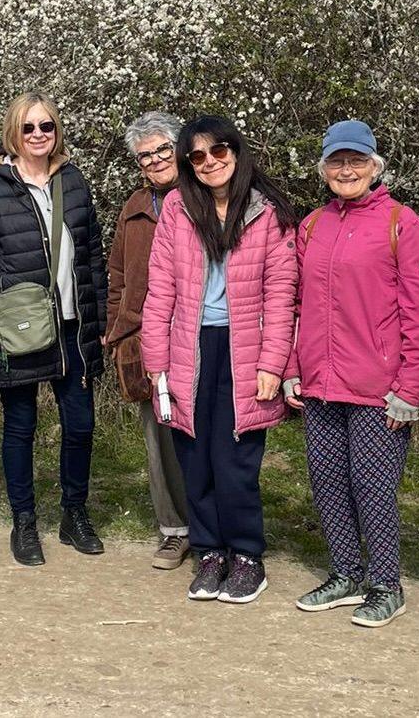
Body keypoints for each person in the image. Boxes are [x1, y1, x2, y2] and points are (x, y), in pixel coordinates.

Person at [285, 119, 419, 629]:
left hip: (379, 388)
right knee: (328, 482)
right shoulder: (311, 225)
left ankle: (386, 584)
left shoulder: (401, 223)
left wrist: (411, 387)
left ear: (376, 166)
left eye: (356, 161)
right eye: (336, 161)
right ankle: (346, 574)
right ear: (324, 168)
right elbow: (296, 304)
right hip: (321, 382)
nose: (346, 170)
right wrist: (291, 367)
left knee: (372, 485)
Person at [140, 116, 298, 605]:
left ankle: (247, 555)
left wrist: (274, 364)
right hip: (189, 346)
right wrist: (155, 359)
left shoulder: (267, 212)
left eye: (219, 151)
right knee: (195, 455)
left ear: (236, 151)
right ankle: (209, 550)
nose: (210, 163)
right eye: (198, 156)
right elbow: (160, 285)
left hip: (244, 348)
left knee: (236, 460)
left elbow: (282, 293)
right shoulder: (176, 210)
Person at [0, 92, 108, 566]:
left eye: (46, 126)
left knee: (80, 424)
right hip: (18, 327)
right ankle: (24, 521)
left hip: (72, 324)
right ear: (14, 133)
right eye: (29, 128)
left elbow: (93, 259)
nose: (39, 135)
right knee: (20, 426)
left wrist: (100, 320)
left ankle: (74, 513)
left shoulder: (75, 182)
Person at [103, 111, 191, 570]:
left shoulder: (202, 196)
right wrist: (118, 329)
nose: (156, 160)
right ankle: (174, 529)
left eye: (162, 150)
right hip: (145, 335)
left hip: (198, 333)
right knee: (159, 436)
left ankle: (216, 528)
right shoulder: (135, 206)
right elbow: (118, 273)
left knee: (208, 436)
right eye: (145, 156)